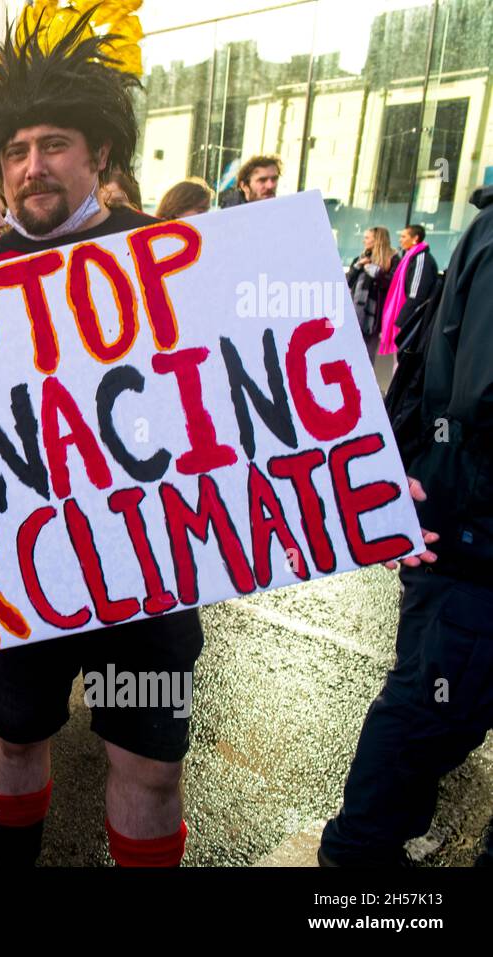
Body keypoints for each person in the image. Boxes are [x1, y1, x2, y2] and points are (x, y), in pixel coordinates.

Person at [0, 4, 205, 867]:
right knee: (14, 738)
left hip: (150, 571)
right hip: (24, 574)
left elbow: (246, 406)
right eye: (16, 152)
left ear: (99, 153)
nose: (32, 167)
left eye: (53, 143)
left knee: (152, 766)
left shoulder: (170, 260)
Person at [319, 184, 492, 867]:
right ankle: (360, 858)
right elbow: (483, 394)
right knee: (430, 707)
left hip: (465, 523)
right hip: (473, 531)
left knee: (435, 702)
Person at [378, 224, 439, 359]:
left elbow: (416, 295)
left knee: (402, 363)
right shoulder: (411, 257)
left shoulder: (421, 258)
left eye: (404, 236)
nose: (400, 240)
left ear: (415, 238)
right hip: (408, 320)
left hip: (411, 322)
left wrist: (400, 322)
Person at [345, 226, 395, 358]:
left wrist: (376, 272)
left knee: (367, 355)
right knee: (349, 354)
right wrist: (358, 266)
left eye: (367, 238)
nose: (364, 241)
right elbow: (347, 281)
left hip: (374, 316)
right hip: (355, 312)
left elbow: (392, 285)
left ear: (377, 240)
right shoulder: (360, 258)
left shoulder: (391, 260)